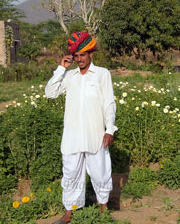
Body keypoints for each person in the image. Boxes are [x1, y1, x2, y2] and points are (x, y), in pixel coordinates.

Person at [45, 31, 117, 224]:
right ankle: (69, 213)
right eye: (76, 56)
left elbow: (109, 103)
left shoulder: (102, 74)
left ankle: (103, 210)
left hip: (95, 134)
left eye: (82, 55)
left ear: (90, 54)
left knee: (100, 171)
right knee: (70, 173)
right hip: (72, 136)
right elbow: (50, 93)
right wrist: (61, 68)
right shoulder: (69, 76)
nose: (79, 59)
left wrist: (109, 129)